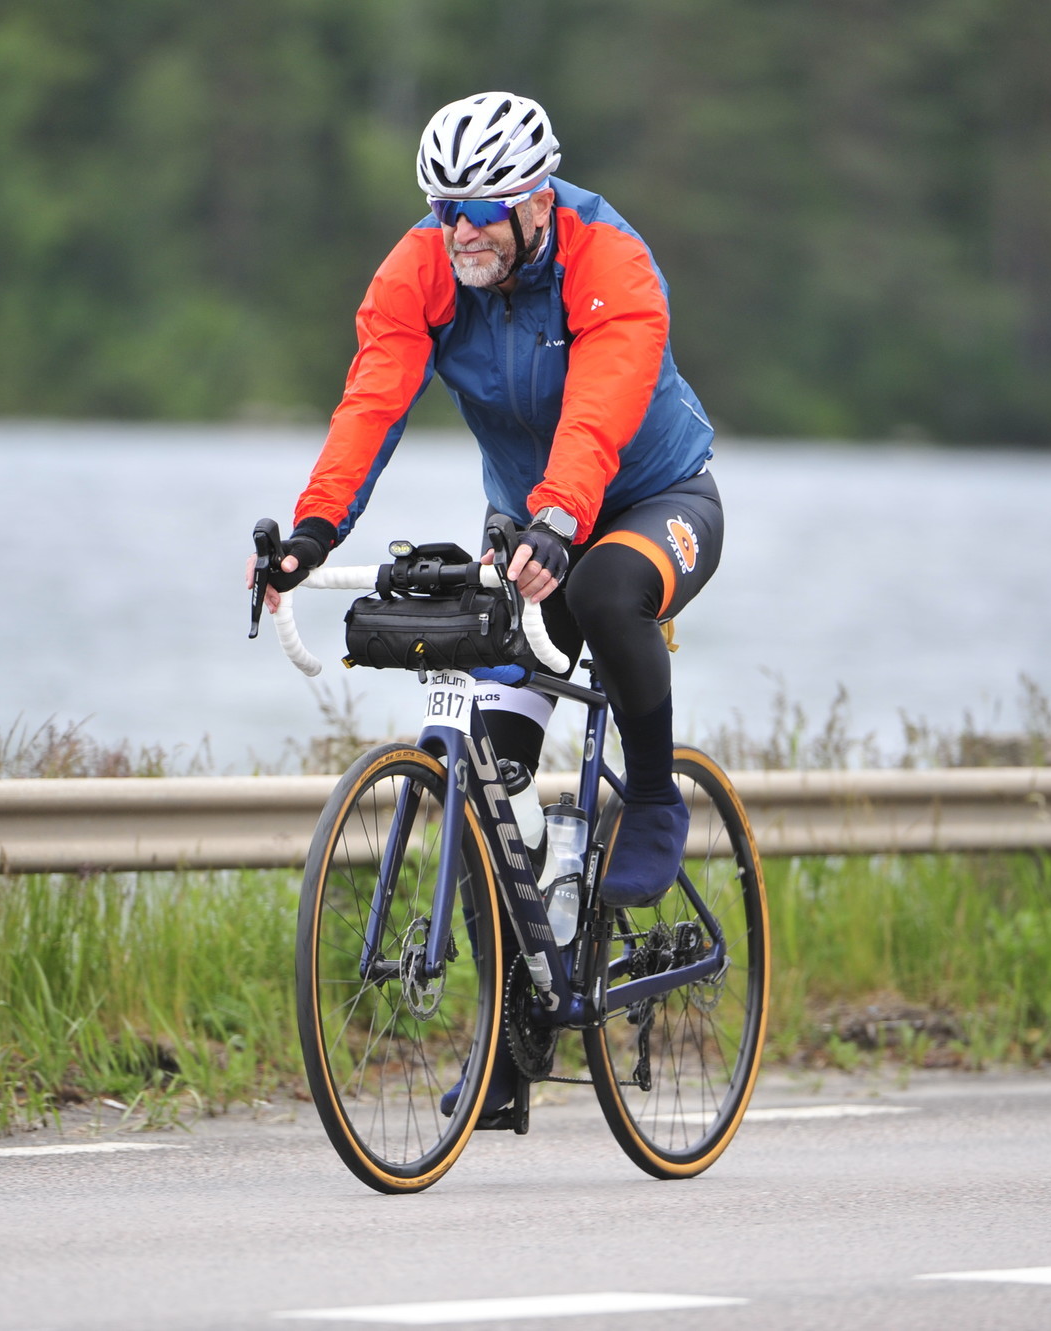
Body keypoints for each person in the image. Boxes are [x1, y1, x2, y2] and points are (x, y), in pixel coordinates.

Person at [254, 91, 724, 1118]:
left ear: (536, 200)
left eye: (478, 210)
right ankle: (511, 1041)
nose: (458, 230)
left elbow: (599, 405)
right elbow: (372, 401)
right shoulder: (423, 265)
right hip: (528, 525)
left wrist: (559, 517)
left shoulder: (610, 260)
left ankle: (651, 798)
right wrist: (311, 531)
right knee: (480, 771)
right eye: (442, 208)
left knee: (605, 588)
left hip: (653, 501)